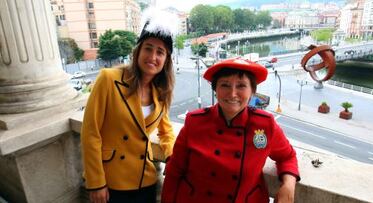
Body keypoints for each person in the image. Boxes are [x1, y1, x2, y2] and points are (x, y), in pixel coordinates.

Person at [162, 58, 300, 203]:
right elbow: (174, 170)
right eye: (225, 85)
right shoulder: (195, 122)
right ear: (215, 90)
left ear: (252, 91)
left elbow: (287, 156)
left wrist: (288, 184)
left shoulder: (265, 125)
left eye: (241, 86)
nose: (232, 93)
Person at [81, 8, 178, 203]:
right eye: (148, 48)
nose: (153, 56)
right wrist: (96, 181)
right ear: (138, 51)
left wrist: (172, 157)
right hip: (112, 181)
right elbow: (90, 133)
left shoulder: (161, 92)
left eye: (160, 52)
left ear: (166, 60)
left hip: (147, 178)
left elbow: (166, 133)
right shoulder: (109, 79)